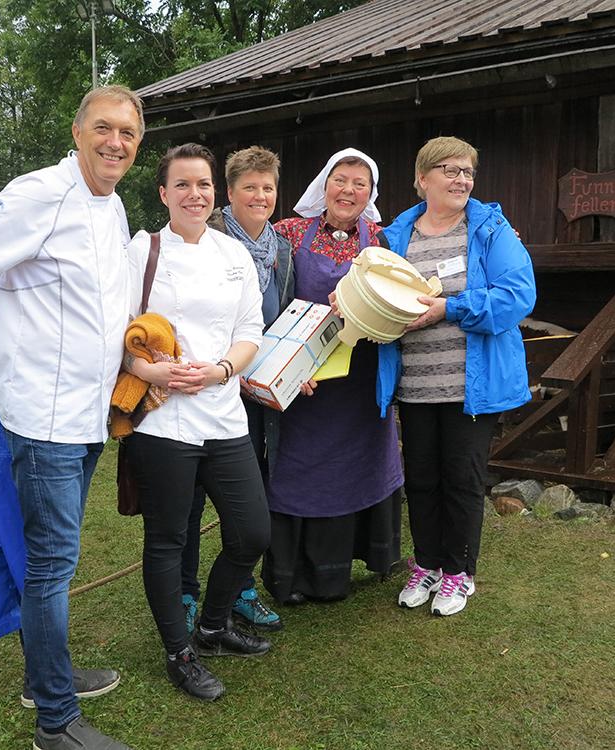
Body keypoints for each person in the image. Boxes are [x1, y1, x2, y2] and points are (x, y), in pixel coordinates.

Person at [0, 85, 142, 750]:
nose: (116, 142)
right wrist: (5, 319)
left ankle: (51, 673)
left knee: (56, 563)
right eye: (103, 128)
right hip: (43, 417)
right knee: (52, 566)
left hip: (88, 413)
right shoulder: (37, 193)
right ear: (77, 132)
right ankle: (56, 719)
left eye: (128, 133)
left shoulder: (109, 203)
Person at [122, 143, 272, 702]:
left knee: (252, 531)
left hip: (224, 414)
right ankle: (178, 652)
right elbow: (113, 332)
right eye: (182, 185)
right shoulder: (140, 252)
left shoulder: (234, 255)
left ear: (216, 193)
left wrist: (223, 368)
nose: (195, 194)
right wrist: (147, 370)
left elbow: (251, 328)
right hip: (162, 426)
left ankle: (212, 624)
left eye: (204, 185)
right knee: (166, 540)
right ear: (163, 194)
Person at [382, 136, 535, 616]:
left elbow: (517, 295)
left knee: (462, 480)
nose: (461, 179)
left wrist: (449, 307)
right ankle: (426, 563)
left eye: (467, 171)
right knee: (422, 479)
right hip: (415, 385)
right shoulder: (396, 235)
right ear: (422, 178)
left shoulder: (490, 229)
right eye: (449, 170)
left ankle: (458, 574)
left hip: (472, 386)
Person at [261, 148, 404, 605]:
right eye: (341, 180)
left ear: (371, 193)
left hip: (359, 384)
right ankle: (294, 575)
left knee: (358, 470)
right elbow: (242, 252)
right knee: (297, 472)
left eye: (360, 184)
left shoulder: (383, 241)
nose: (349, 190)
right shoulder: (287, 233)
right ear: (325, 184)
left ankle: (353, 562)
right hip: (303, 382)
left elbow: (413, 285)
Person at [180, 146, 294, 634]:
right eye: (250, 187)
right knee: (187, 500)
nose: (260, 196)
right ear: (229, 193)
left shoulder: (282, 250)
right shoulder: (208, 237)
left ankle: (240, 589)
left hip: (261, 394)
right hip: (207, 387)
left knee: (249, 497)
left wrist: (294, 366)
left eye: (268, 188)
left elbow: (285, 319)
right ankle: (185, 592)